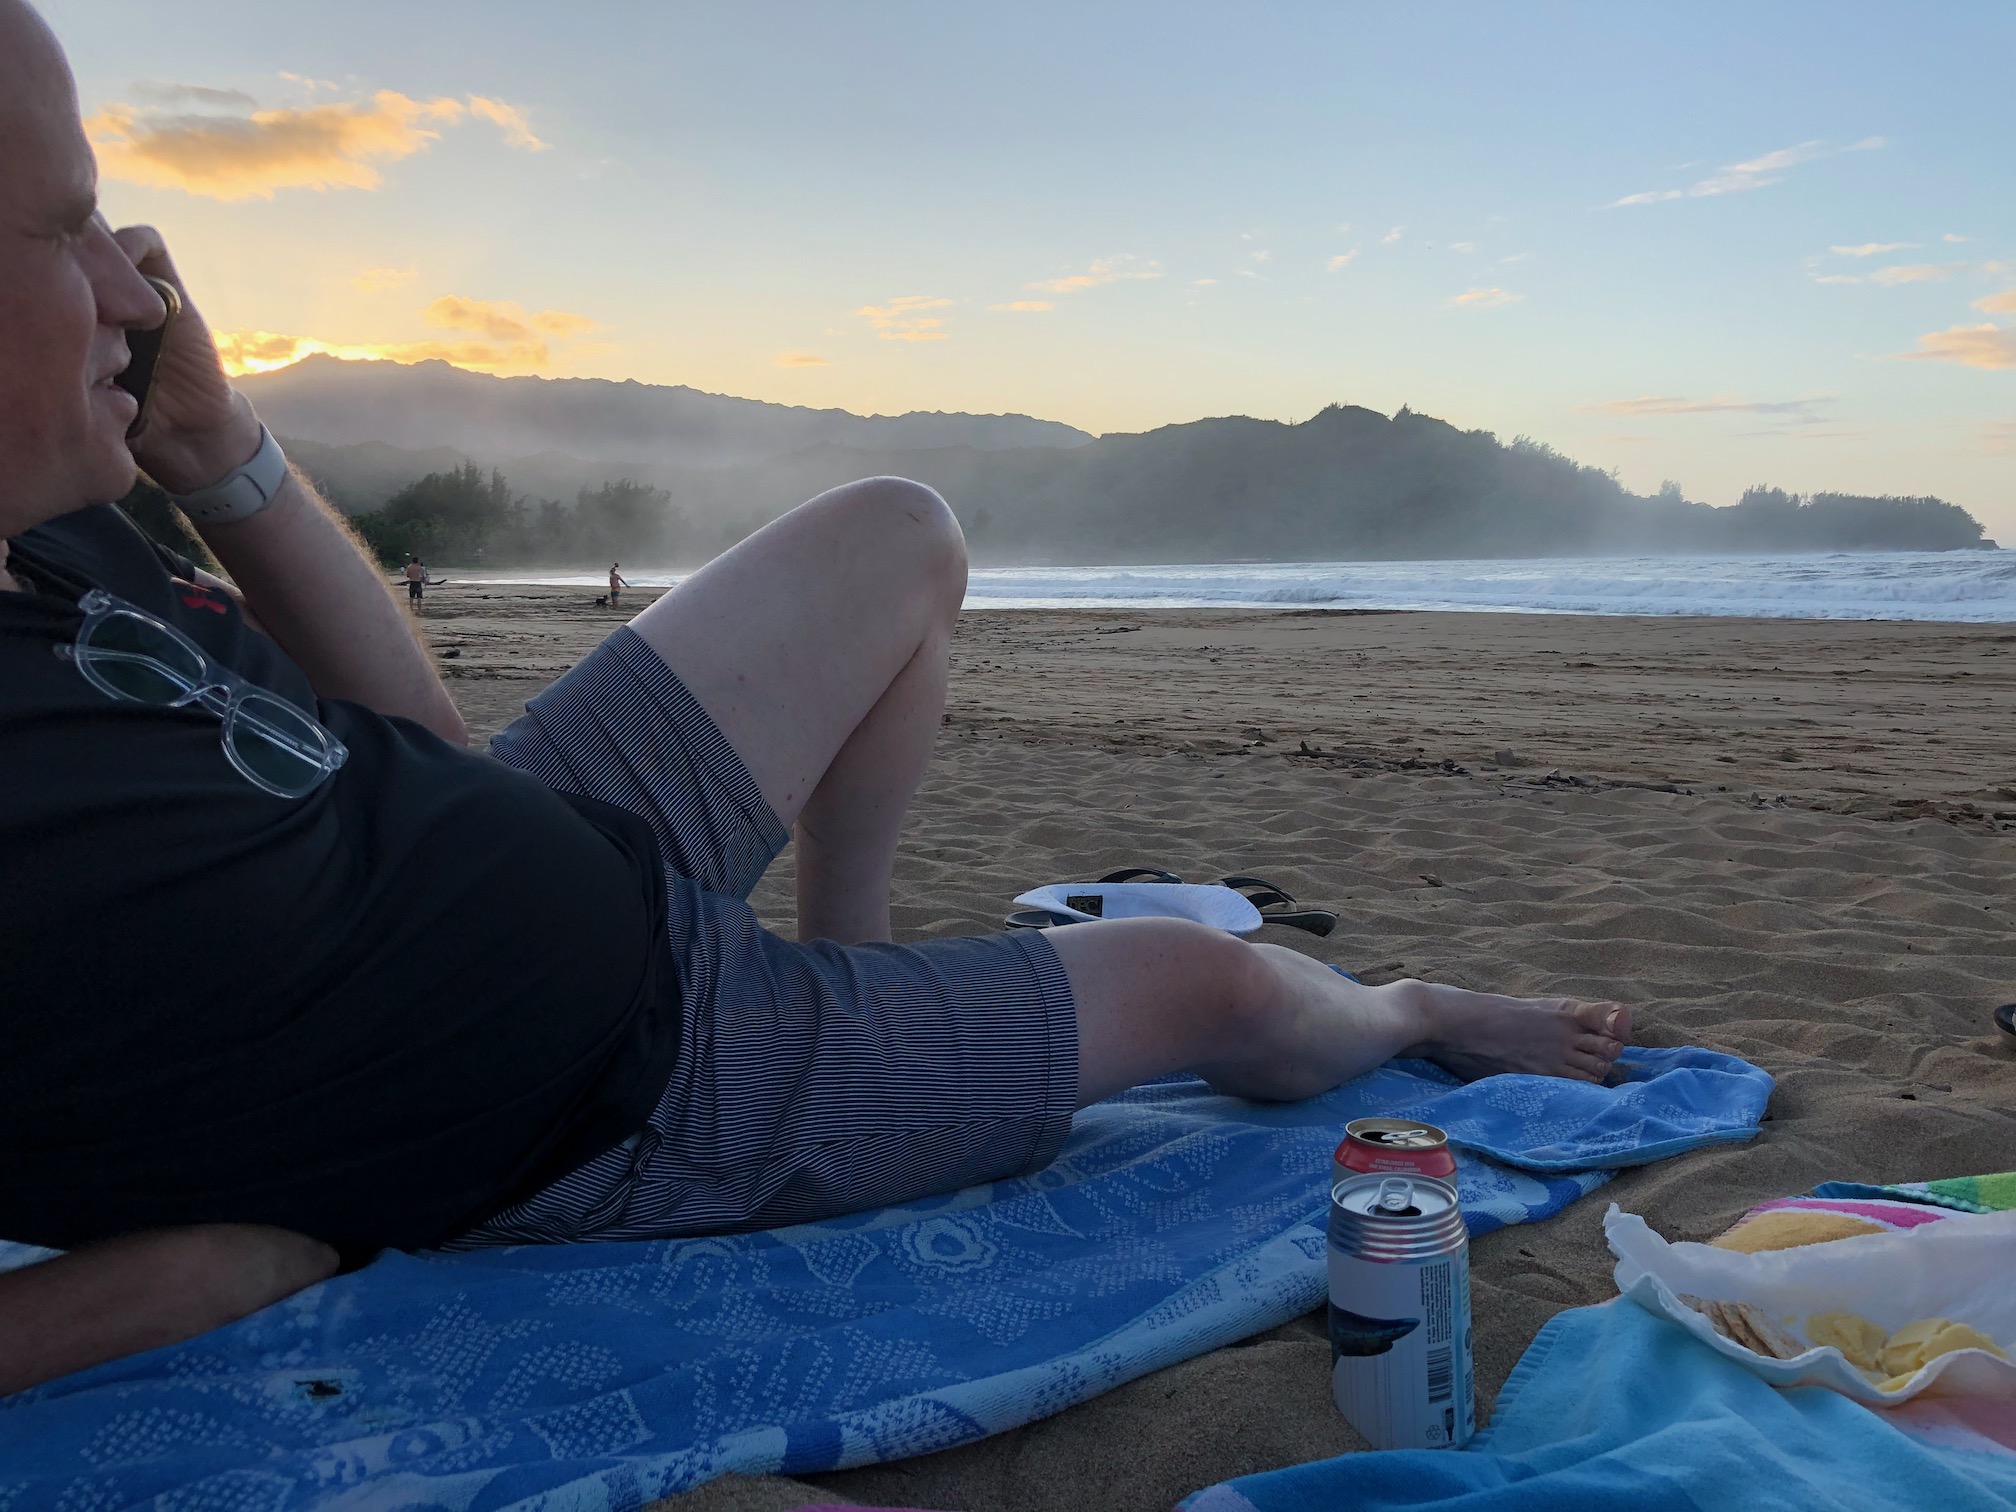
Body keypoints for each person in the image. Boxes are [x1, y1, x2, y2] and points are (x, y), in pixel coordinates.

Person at [0, 0, 1630, 1396]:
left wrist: (221, 458)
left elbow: (414, 741)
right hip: (621, 1088)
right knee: (1221, 988)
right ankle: (1402, 1006)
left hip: (533, 837)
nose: (141, 296)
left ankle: (863, 975)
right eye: (63, 229)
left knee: (898, 534)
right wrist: (162, 1283)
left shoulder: (53, 524)